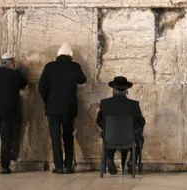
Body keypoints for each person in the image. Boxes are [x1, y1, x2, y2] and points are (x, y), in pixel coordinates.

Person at [39, 43, 86, 174]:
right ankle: (69, 166)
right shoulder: (74, 66)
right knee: (68, 137)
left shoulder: (49, 66)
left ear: (57, 56)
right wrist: (74, 65)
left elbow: (41, 87)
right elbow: (83, 80)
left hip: (52, 108)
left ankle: (58, 166)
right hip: (69, 107)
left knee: (55, 137)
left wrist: (47, 101)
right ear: (71, 56)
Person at [96, 76, 145, 175]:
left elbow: (98, 121)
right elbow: (142, 122)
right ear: (126, 90)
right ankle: (132, 160)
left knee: (109, 134)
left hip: (110, 137)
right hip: (129, 138)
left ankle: (109, 158)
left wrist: (107, 128)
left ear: (113, 89)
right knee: (139, 137)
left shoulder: (104, 103)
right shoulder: (134, 104)